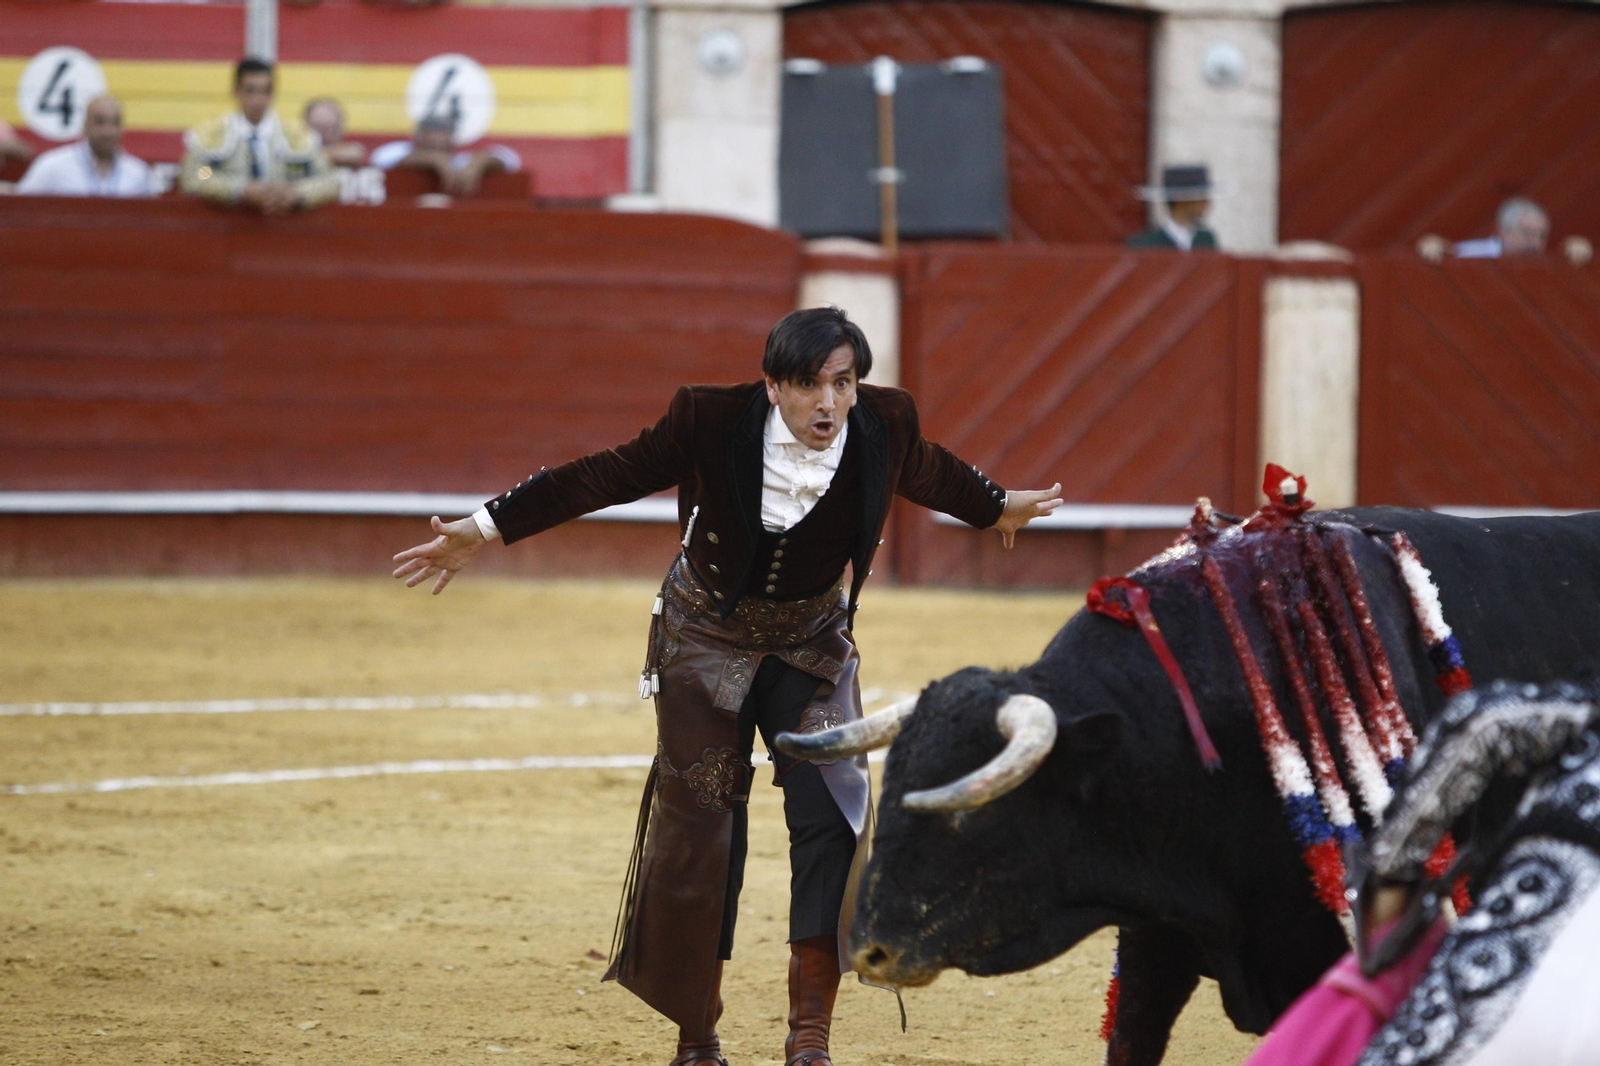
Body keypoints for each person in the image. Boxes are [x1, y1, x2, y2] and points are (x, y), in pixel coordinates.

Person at [392, 306, 1063, 1066]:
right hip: (704, 639)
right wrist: (483, 529)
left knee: (832, 820)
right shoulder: (707, 418)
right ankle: (697, 1034)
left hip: (812, 645)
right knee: (700, 829)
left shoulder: (884, 423)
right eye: (810, 384)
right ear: (773, 385)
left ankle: (809, 1035)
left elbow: (931, 468)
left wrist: (996, 505)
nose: (829, 403)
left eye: (843, 384)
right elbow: (606, 474)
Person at [180, 57, 339, 215]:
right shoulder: (213, 135)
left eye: (265, 91)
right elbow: (198, 175)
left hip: (283, 229)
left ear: (273, 93)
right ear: (236, 92)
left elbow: (329, 180)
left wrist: (297, 193)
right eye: (250, 90)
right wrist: (238, 189)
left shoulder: (296, 136)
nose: (258, 100)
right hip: (228, 229)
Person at [15, 95, 151, 198]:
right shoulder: (53, 167)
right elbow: (21, 208)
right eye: (99, 122)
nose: (108, 131)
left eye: (115, 123)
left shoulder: (138, 173)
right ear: (85, 125)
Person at [370, 114, 522, 198]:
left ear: (453, 142)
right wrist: (434, 160)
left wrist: (479, 162)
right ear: (418, 138)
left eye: (443, 140)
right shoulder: (399, 151)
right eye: (431, 144)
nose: (438, 143)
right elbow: (381, 158)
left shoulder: (461, 161)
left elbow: (510, 159)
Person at [1128, 164, 1220, 251]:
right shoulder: (1146, 244)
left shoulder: (1206, 239)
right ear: (1181, 200)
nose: (1207, 202)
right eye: (1200, 196)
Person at [1454, 197, 1549, 258]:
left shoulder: (1545, 268)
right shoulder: (1467, 255)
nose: (1536, 244)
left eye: (1542, 236)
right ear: (1504, 231)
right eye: (1528, 234)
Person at [302, 97, 366, 169]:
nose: (326, 133)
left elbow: (354, 155)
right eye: (319, 127)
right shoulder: (297, 149)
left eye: (332, 127)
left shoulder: (351, 149)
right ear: (307, 126)